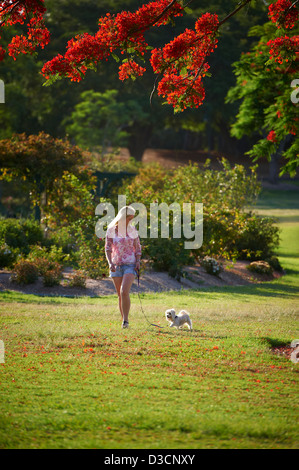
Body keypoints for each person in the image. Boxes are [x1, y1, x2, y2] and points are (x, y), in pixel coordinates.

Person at [105, 205, 141, 329]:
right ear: (123, 217)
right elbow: (108, 249)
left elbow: (138, 247)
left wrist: (138, 261)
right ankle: (124, 321)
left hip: (130, 264)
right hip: (116, 265)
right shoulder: (111, 230)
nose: (131, 220)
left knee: (124, 291)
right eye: (130, 217)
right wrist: (110, 263)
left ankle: (125, 321)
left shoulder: (132, 230)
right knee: (120, 295)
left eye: (132, 218)